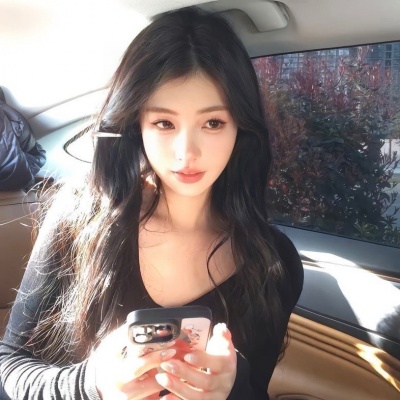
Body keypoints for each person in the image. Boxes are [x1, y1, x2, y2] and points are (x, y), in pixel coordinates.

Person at [0, 6, 303, 400]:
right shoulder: (81, 218)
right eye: (164, 123)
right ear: (136, 125)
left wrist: (231, 387)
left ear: (240, 128)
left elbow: (257, 392)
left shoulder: (274, 261)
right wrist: (90, 384)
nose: (186, 152)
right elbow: (9, 365)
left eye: (213, 123)